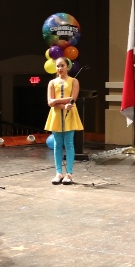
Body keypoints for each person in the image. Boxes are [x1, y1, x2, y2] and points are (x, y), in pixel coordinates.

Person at [45, 56, 83, 185]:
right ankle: (58, 173)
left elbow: (72, 99)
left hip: (70, 114)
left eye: (62, 65)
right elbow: (50, 102)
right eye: (58, 66)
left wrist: (56, 101)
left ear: (68, 67)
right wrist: (61, 105)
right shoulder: (52, 82)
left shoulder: (74, 81)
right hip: (56, 114)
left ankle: (69, 173)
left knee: (69, 144)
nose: (60, 68)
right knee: (57, 145)